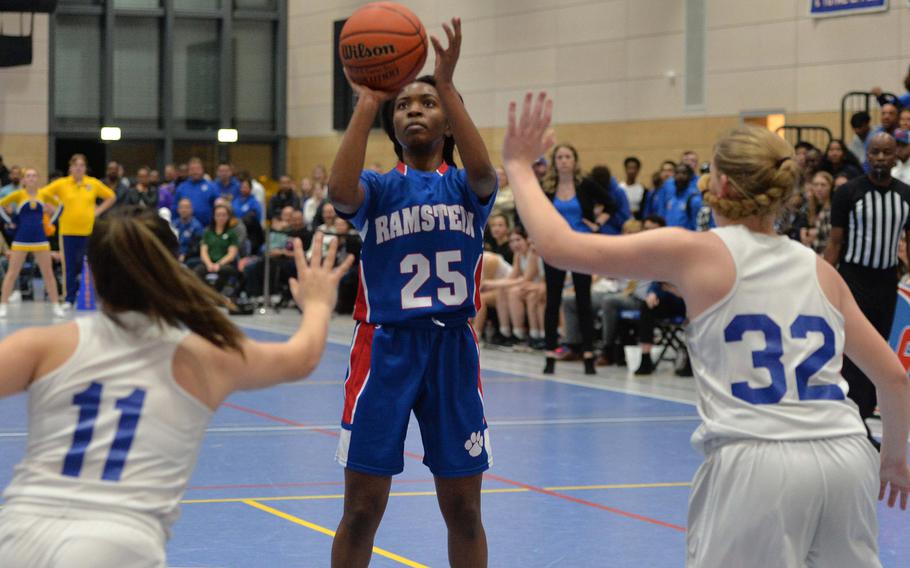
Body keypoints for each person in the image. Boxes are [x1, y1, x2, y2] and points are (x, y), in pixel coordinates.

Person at [505, 92, 910, 568]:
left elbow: (558, 245)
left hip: (759, 460)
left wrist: (517, 163)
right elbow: (896, 380)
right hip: (846, 454)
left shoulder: (695, 252)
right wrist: (895, 458)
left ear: (718, 182)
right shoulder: (820, 269)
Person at [0, 209, 351, 568]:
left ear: (92, 273)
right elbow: (301, 357)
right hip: (117, 542)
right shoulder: (203, 355)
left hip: (19, 531)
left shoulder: (42, 345)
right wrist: (319, 303)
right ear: (173, 268)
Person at [328, 18, 495, 568]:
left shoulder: (467, 188)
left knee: (465, 511)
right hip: (385, 352)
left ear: (448, 119)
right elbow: (338, 191)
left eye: (427, 103)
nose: (414, 110)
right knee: (361, 510)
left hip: (451, 350)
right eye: (403, 106)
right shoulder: (378, 188)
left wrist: (447, 83)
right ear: (391, 126)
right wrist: (367, 101)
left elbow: (486, 169)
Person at [824, 132, 910, 449]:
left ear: (895, 157)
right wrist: (820, 279)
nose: (880, 158)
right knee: (851, 355)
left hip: (886, 282)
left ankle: (862, 423)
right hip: (853, 280)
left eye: (887, 152)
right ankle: (852, 423)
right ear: (867, 156)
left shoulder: (906, 195)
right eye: (875, 152)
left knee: (878, 355)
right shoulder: (848, 193)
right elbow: (834, 242)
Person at [540, 143, 613, 374]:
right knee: (553, 302)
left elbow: (612, 203)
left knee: (584, 301)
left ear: (575, 160)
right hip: (555, 247)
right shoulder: (547, 186)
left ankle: (588, 355)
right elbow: (533, 212)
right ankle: (550, 354)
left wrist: (597, 224)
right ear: (555, 162)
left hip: (580, 246)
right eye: (559, 157)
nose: (563, 160)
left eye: (567, 156)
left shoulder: (585, 184)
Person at [41, 154, 117, 309]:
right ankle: (69, 298)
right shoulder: (62, 184)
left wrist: (98, 211)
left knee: (89, 264)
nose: (78, 168)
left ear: (85, 168)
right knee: (69, 266)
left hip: (88, 231)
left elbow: (111, 197)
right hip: (68, 231)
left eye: (81, 165)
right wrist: (55, 208)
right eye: (75, 165)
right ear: (70, 168)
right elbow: (43, 194)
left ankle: (91, 296)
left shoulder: (93, 183)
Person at [0, 168, 64, 318]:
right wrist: (9, 222)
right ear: (24, 180)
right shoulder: (18, 194)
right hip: (20, 240)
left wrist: (52, 223)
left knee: (48, 273)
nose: (31, 178)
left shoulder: (44, 194)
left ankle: (56, 305)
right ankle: (3, 305)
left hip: (40, 240)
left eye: (34, 176)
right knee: (11, 273)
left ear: (38, 179)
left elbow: (61, 206)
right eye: (28, 176)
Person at [194, 203, 241, 299]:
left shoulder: (232, 234)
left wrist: (218, 265)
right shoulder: (208, 233)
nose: (221, 218)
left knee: (225, 271)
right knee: (197, 270)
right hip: (209, 263)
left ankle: (217, 295)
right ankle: (201, 296)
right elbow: (203, 252)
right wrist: (209, 264)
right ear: (214, 217)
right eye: (218, 215)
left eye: (224, 215)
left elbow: (231, 254)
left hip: (225, 264)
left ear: (228, 217)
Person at [800, 171, 834, 255]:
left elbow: (830, 239)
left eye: (823, 185)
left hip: (823, 255)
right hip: (809, 253)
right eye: (816, 185)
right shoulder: (809, 207)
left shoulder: (832, 209)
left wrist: (817, 233)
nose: (819, 188)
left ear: (830, 187)